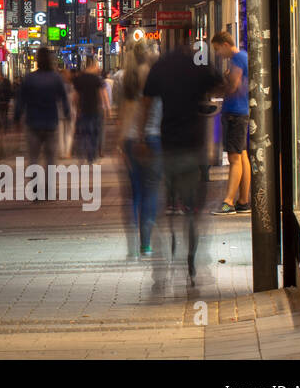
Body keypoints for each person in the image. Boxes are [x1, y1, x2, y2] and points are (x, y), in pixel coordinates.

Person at [140, 43, 223, 285]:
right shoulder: (198, 66)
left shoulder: (161, 66)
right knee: (193, 210)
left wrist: (146, 136)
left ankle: (162, 264)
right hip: (193, 147)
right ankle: (192, 261)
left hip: (167, 146)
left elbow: (147, 101)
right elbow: (221, 86)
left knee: (165, 209)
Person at [117, 41, 159, 257]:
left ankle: (133, 244)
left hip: (129, 140)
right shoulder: (154, 76)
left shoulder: (126, 79)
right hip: (150, 139)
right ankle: (146, 242)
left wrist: (120, 143)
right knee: (151, 191)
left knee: (134, 193)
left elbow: (122, 114)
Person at [13, 47, 72, 188]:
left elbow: (21, 100)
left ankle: (34, 189)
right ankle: (49, 188)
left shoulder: (29, 78)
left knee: (33, 158)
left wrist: (16, 118)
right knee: (51, 158)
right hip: (51, 122)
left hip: (32, 122)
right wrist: (68, 115)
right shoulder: (56, 78)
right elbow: (64, 99)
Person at [210, 31, 252, 215]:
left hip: (235, 113)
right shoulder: (243, 57)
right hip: (241, 112)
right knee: (242, 156)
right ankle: (243, 201)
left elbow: (233, 86)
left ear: (225, 44)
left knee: (234, 159)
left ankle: (228, 202)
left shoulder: (237, 59)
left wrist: (221, 87)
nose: (218, 53)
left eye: (218, 49)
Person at [71, 57, 111, 164]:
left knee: (84, 132)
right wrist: (108, 108)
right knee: (94, 133)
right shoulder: (97, 79)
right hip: (95, 109)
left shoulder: (79, 79)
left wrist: (75, 108)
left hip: (83, 109)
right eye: (97, 66)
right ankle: (91, 156)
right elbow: (103, 94)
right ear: (92, 66)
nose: (98, 68)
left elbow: (75, 96)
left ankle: (83, 154)